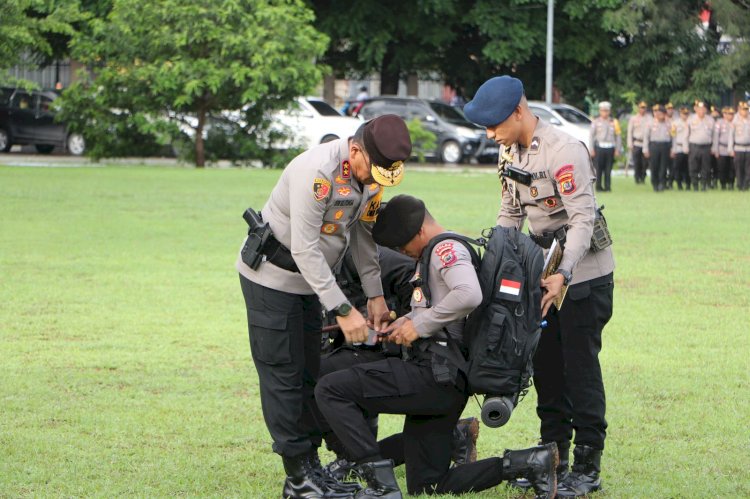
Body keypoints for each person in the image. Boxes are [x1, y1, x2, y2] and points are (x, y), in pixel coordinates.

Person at [315, 194, 559, 499]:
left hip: (433, 374)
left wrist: (418, 325)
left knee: (330, 388)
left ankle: (378, 482)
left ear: (419, 232)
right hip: (444, 384)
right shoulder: (434, 251)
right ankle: (528, 463)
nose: (402, 252)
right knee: (429, 486)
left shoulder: (445, 249)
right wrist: (403, 322)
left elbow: (468, 295)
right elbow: (440, 307)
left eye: (403, 245)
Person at [236, 114, 412, 498]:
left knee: (309, 373)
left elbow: (364, 239)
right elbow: (304, 248)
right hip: (273, 280)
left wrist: (375, 296)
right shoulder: (317, 172)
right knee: (284, 375)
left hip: (311, 286)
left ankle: (313, 469)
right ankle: (298, 480)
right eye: (374, 173)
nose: (375, 183)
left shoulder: (371, 177)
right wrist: (343, 309)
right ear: (355, 150)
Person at [463, 75, 615, 498]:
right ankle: (553, 458)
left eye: (494, 124)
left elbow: (583, 219)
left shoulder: (565, 151)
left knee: (579, 369)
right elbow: (511, 212)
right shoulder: (508, 151)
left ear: (518, 111)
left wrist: (563, 273)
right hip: (540, 273)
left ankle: (587, 465)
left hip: (582, 275)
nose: (490, 133)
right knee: (545, 368)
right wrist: (495, 264)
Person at [315, 245, 480, 480]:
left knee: (323, 381)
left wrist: (402, 324)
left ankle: (352, 459)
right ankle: (452, 437)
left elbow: (417, 291)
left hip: (406, 347)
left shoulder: (373, 258)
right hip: (373, 342)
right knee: (318, 373)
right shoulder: (328, 259)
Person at [588, 101, 621, 192]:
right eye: (603, 111)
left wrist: (618, 149)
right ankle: (598, 187)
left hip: (610, 147)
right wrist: (591, 149)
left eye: (606, 111)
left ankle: (607, 187)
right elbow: (591, 136)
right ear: (600, 111)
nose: (605, 113)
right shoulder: (595, 121)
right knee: (598, 168)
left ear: (609, 111)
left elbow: (618, 136)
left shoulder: (614, 122)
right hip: (599, 147)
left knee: (608, 168)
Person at [643, 104, 673, 192]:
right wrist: (645, 149)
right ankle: (655, 183)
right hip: (654, 146)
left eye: (661, 113)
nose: (658, 115)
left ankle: (662, 183)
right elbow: (646, 137)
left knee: (663, 166)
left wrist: (673, 149)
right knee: (654, 166)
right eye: (657, 113)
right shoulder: (650, 123)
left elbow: (673, 137)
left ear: (664, 114)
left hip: (665, 146)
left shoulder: (669, 124)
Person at [688, 100, 715, 191]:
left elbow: (714, 135)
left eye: (703, 109)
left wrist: (714, 147)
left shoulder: (710, 120)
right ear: (696, 109)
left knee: (706, 167)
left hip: (706, 147)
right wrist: (685, 146)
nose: (701, 111)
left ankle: (704, 185)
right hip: (694, 146)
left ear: (706, 110)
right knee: (693, 166)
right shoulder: (691, 119)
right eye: (699, 109)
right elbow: (686, 134)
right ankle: (695, 185)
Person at [627, 101, 650, 184]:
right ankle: (637, 178)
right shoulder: (633, 118)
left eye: (644, 108)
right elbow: (630, 132)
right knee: (637, 162)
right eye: (641, 108)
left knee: (645, 163)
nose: (643, 109)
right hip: (636, 143)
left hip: (646, 143)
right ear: (638, 108)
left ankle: (643, 177)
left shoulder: (649, 118)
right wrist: (630, 143)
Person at [713, 106, 736, 190]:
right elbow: (716, 137)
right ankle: (723, 184)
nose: (730, 116)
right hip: (722, 148)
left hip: (733, 148)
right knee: (722, 167)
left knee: (732, 168)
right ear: (724, 114)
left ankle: (731, 183)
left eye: (732, 114)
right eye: (728, 114)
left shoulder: (735, 123)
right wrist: (716, 150)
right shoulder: (719, 123)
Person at [671, 106, 691, 190]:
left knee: (688, 167)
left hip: (689, 148)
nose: (685, 116)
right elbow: (673, 137)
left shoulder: (691, 123)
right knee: (677, 167)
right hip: (678, 147)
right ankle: (679, 184)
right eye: (683, 114)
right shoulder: (675, 123)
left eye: (686, 114)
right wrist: (673, 149)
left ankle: (688, 184)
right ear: (680, 114)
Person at [732, 101, 750, 191]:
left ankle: (746, 185)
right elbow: (731, 135)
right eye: (743, 109)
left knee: (748, 169)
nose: (745, 111)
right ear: (739, 110)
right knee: (739, 168)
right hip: (738, 148)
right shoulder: (735, 120)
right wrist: (730, 149)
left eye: (746, 109)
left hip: (748, 148)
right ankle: (739, 184)